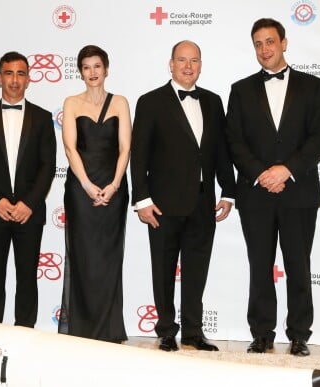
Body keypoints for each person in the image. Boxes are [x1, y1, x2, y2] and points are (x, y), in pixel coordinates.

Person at [226, 18, 320, 356]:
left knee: (299, 266)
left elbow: (319, 138)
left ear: (284, 42)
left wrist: (286, 170)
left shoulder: (313, 86)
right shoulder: (240, 90)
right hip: (255, 194)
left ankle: (299, 335)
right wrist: (262, 174)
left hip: (299, 193)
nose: (264, 49)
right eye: (258, 43)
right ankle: (261, 334)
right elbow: (235, 142)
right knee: (260, 265)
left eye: (270, 41)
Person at [130, 40, 236, 352]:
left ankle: (193, 332)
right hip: (162, 205)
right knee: (162, 270)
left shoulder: (214, 102)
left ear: (201, 65)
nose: (188, 66)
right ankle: (166, 331)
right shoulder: (150, 102)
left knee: (196, 271)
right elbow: (140, 156)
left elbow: (221, 153)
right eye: (182, 60)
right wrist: (143, 200)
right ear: (171, 64)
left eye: (194, 61)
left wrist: (228, 191)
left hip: (203, 204)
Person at [0, 51, 56, 327]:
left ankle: (25, 335)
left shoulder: (42, 118)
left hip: (29, 213)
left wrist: (28, 203)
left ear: (29, 79)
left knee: (27, 277)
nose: (14, 80)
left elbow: (48, 165)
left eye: (20, 74)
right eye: (9, 73)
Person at [58, 45, 131, 343]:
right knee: (84, 258)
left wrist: (113, 186)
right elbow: (69, 148)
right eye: (86, 67)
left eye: (97, 66)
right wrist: (88, 185)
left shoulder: (121, 102)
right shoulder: (72, 102)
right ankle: (82, 330)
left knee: (109, 258)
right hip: (80, 189)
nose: (92, 72)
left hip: (114, 189)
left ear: (107, 69)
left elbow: (126, 147)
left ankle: (110, 330)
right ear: (80, 71)